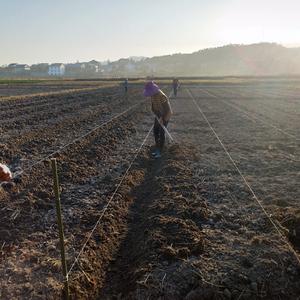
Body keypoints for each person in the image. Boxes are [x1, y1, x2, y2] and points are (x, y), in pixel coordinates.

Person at [143, 81, 172, 158]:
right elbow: (153, 107)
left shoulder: (162, 96)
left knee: (162, 132)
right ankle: (157, 148)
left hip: (166, 114)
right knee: (155, 130)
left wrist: (162, 118)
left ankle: (160, 151)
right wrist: (156, 115)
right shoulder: (152, 96)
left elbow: (167, 109)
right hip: (158, 114)